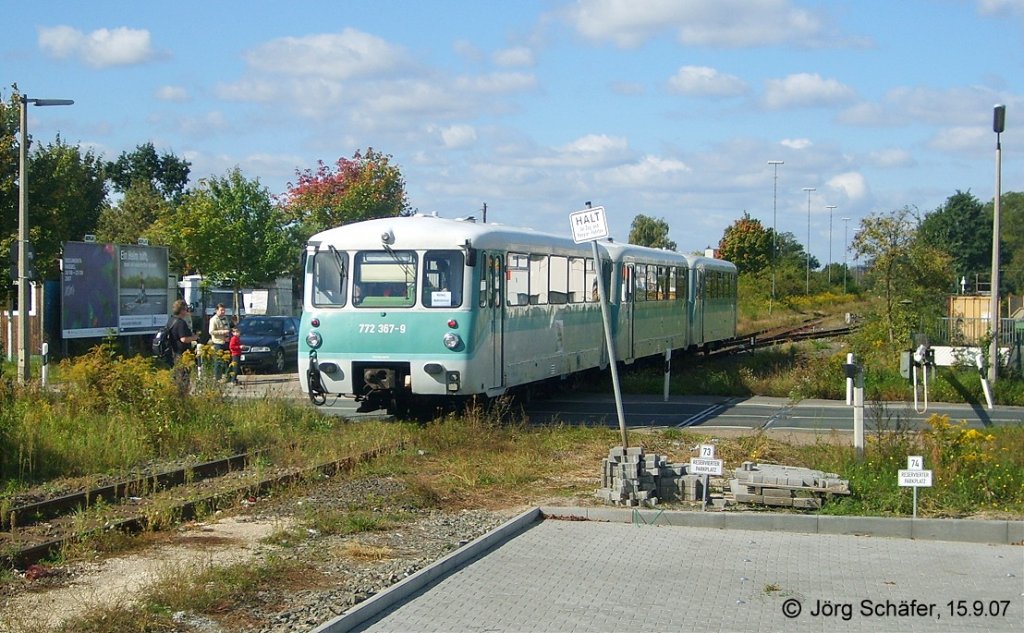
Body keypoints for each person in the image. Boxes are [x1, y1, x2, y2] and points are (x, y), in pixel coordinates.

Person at [168, 299, 199, 394]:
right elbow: (184, 339)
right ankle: (182, 395)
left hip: (174, 351)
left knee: (176, 374)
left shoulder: (171, 320)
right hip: (182, 353)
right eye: (186, 309)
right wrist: (194, 338)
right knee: (183, 376)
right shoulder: (180, 323)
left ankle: (176, 393)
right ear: (181, 310)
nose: (187, 311)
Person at [208, 303, 232, 381]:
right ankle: (217, 377)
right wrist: (222, 332)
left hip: (226, 342)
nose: (223, 312)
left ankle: (228, 377)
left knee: (227, 360)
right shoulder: (213, 319)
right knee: (218, 361)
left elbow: (228, 327)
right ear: (216, 310)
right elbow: (211, 331)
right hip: (218, 342)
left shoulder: (225, 318)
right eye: (221, 310)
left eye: (224, 310)